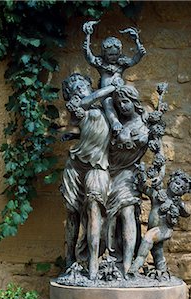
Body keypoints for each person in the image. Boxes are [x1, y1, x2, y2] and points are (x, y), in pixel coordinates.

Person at [60, 73, 115, 280]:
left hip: (98, 166)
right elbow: (87, 102)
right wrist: (112, 86)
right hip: (76, 166)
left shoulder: (104, 109)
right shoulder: (80, 104)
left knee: (94, 209)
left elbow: (95, 130)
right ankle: (69, 261)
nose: (80, 90)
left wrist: (74, 135)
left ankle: (93, 264)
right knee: (72, 212)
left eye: (82, 86)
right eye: (75, 89)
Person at [107, 85, 149, 275]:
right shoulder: (113, 123)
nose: (122, 106)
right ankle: (109, 259)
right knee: (107, 219)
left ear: (135, 102)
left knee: (127, 213)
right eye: (119, 103)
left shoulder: (145, 124)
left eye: (126, 102)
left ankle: (127, 264)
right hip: (108, 173)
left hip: (129, 174)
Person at [82, 21, 146, 134]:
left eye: (116, 54)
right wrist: (87, 38)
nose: (113, 57)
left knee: (128, 100)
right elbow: (89, 58)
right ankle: (114, 122)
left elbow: (133, 60)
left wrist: (139, 52)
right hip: (105, 93)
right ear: (104, 53)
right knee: (108, 103)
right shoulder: (101, 64)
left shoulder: (121, 63)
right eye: (110, 55)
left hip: (120, 92)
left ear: (120, 53)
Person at [129, 169, 191, 275]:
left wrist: (180, 205)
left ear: (183, 192)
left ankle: (136, 265)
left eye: (182, 188)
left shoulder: (175, 202)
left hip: (165, 229)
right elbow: (145, 189)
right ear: (171, 181)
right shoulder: (158, 194)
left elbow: (186, 213)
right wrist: (142, 176)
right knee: (157, 252)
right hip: (154, 228)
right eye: (177, 183)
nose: (178, 187)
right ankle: (161, 270)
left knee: (148, 237)